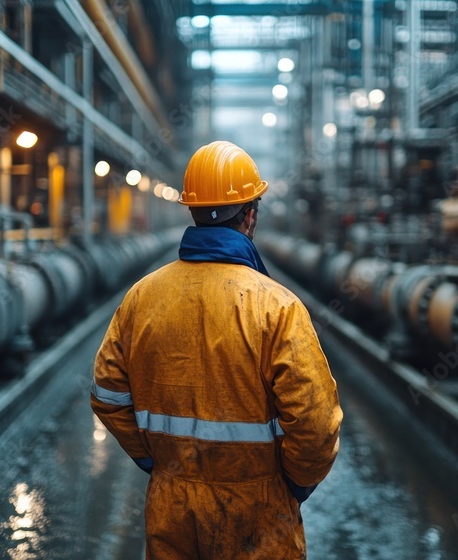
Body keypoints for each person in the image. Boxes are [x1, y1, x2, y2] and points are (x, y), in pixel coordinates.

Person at [90, 140, 343, 559]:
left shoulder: (142, 298)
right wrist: (296, 484)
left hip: (171, 505)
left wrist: (155, 460)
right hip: (258, 512)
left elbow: (107, 394)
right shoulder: (277, 307)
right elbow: (315, 425)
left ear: (191, 210)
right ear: (250, 216)